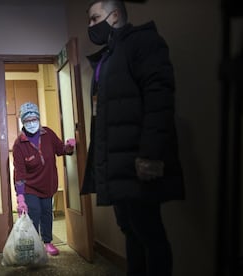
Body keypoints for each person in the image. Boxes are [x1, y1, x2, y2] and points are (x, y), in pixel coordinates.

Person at [81, 1, 185, 276]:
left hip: (138, 162)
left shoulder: (142, 42)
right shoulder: (108, 58)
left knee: (149, 233)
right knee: (130, 230)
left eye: (95, 18)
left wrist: (150, 154)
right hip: (118, 164)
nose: (90, 26)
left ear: (114, 16)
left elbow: (159, 97)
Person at [13, 102, 75, 256]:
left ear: (39, 119)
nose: (32, 123)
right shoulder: (19, 144)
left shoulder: (48, 134)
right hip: (30, 187)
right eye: (28, 120)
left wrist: (69, 147)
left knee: (47, 212)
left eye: (34, 119)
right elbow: (19, 172)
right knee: (34, 212)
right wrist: (20, 197)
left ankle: (47, 242)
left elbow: (60, 150)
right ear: (23, 122)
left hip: (48, 184)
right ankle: (33, 247)